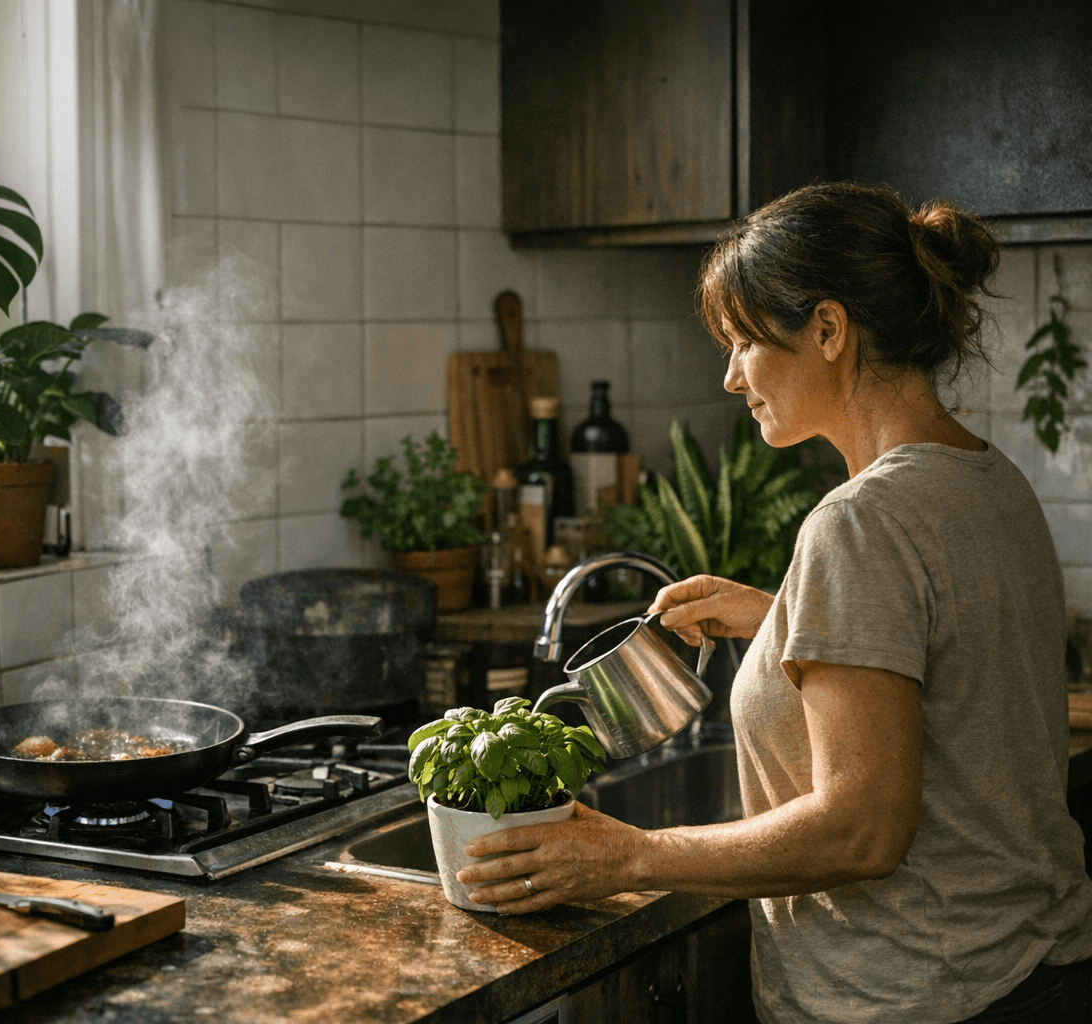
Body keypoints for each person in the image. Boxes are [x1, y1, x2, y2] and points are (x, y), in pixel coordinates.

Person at [454, 181, 1092, 1023]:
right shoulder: (989, 479)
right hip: (1038, 972)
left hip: (918, 999)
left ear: (827, 329)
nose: (729, 377)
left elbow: (862, 830)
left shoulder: (860, 522)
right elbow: (959, 658)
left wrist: (628, 856)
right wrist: (789, 618)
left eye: (744, 342)